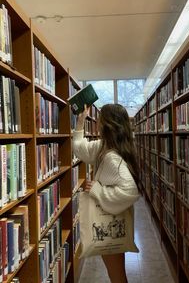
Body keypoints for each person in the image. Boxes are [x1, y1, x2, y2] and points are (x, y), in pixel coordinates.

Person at [73, 103, 140, 283]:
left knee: (117, 275)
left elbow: (130, 191)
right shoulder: (106, 147)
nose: (97, 124)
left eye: (100, 121)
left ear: (107, 125)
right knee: (115, 273)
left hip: (111, 222)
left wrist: (98, 190)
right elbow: (81, 150)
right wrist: (80, 124)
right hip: (112, 220)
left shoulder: (111, 157)